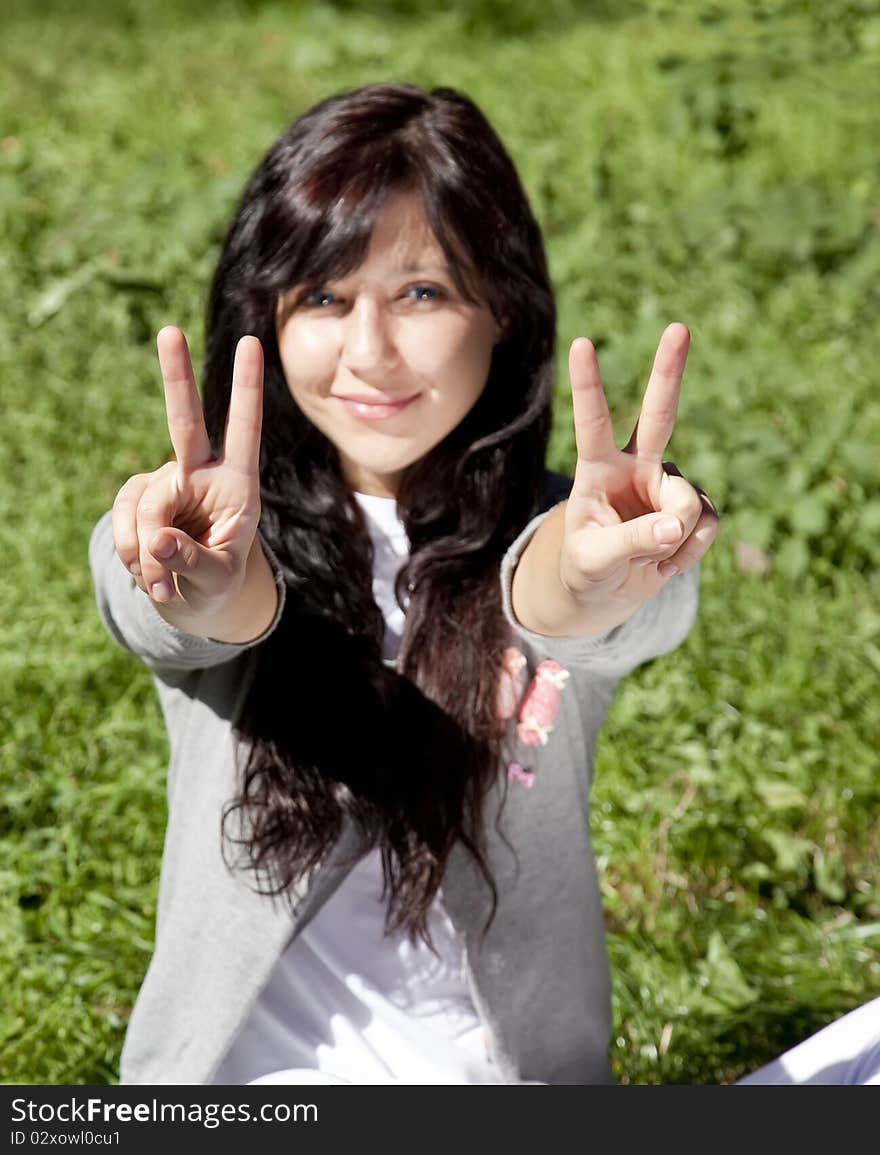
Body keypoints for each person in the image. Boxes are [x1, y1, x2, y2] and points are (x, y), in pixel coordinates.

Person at [89, 82, 719, 1086]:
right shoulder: (196, 527)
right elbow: (193, 611)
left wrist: (602, 584)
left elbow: (557, 596)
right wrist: (198, 590)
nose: (368, 354)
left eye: (421, 293)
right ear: (267, 316)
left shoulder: (580, 533)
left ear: (502, 311)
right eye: (325, 298)